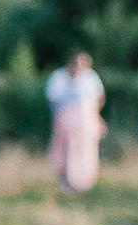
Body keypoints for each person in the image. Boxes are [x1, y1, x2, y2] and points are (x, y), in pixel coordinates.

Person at [44, 48, 106, 193]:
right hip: (65, 119)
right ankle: (65, 182)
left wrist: (93, 113)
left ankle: (83, 182)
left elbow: (99, 97)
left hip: (85, 119)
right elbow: (52, 99)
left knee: (85, 150)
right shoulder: (59, 77)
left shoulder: (90, 77)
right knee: (64, 150)